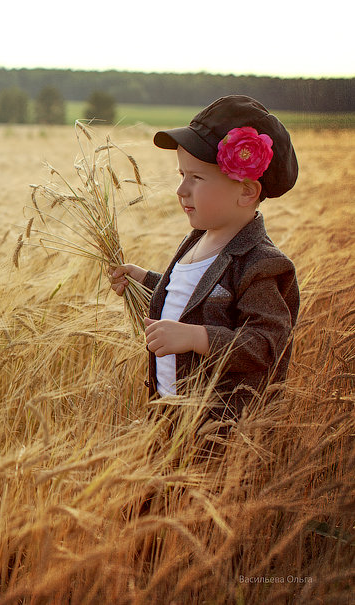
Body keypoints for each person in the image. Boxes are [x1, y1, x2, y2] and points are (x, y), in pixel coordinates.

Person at [110, 95, 299, 429]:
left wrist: (197, 338)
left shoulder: (260, 263)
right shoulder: (196, 241)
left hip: (219, 429)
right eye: (182, 174)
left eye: (196, 178)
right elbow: (195, 295)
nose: (181, 189)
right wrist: (148, 281)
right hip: (168, 414)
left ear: (246, 192)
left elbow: (265, 344)